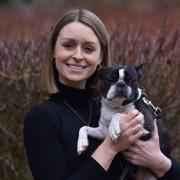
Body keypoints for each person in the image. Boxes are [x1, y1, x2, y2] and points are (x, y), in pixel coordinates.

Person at [23, 9, 180, 180]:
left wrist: (158, 162)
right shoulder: (41, 118)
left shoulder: (112, 106)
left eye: (88, 48)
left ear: (100, 57)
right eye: (68, 45)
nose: (77, 55)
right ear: (54, 50)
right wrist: (111, 148)